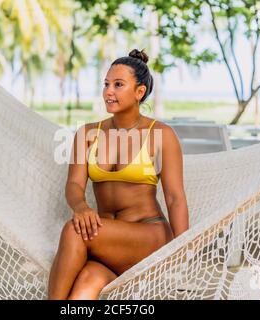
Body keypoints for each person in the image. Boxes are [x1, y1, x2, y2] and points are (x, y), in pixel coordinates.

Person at [48, 49, 189, 300]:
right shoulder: (88, 134)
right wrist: (81, 207)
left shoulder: (161, 135)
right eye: (106, 84)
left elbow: (175, 198)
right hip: (105, 241)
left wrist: (182, 250)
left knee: (73, 231)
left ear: (139, 92)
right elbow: (73, 185)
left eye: (118, 84)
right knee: (85, 287)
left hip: (148, 235)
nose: (108, 91)